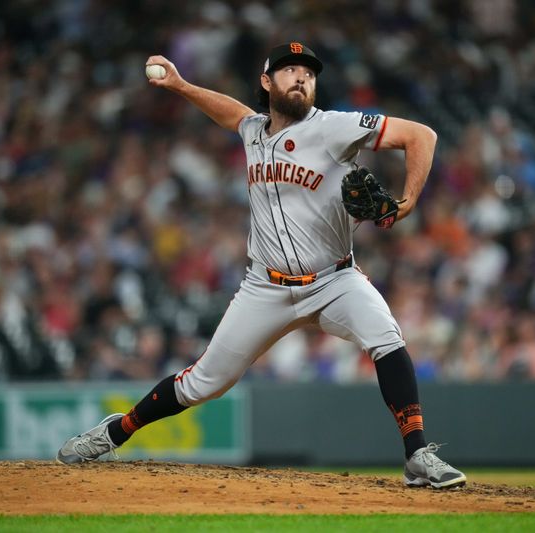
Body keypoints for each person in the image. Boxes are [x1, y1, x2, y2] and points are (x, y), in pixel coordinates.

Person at [57, 42, 466, 489]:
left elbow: (421, 136)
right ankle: (116, 431)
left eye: (308, 72)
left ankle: (417, 454)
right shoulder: (253, 130)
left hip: (335, 279)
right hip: (265, 288)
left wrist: (404, 206)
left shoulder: (334, 128)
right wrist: (179, 84)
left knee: (387, 337)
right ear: (267, 82)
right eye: (290, 70)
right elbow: (231, 112)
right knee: (201, 385)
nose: (302, 77)